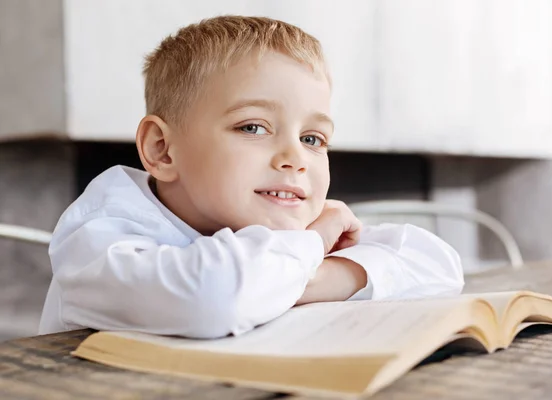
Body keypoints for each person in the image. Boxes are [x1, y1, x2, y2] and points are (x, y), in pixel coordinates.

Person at [39, 16, 463, 339]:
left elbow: (438, 265)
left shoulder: (257, 221)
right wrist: (314, 243)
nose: (295, 158)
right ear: (162, 150)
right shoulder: (97, 236)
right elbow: (214, 298)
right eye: (253, 127)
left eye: (313, 138)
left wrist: (304, 279)